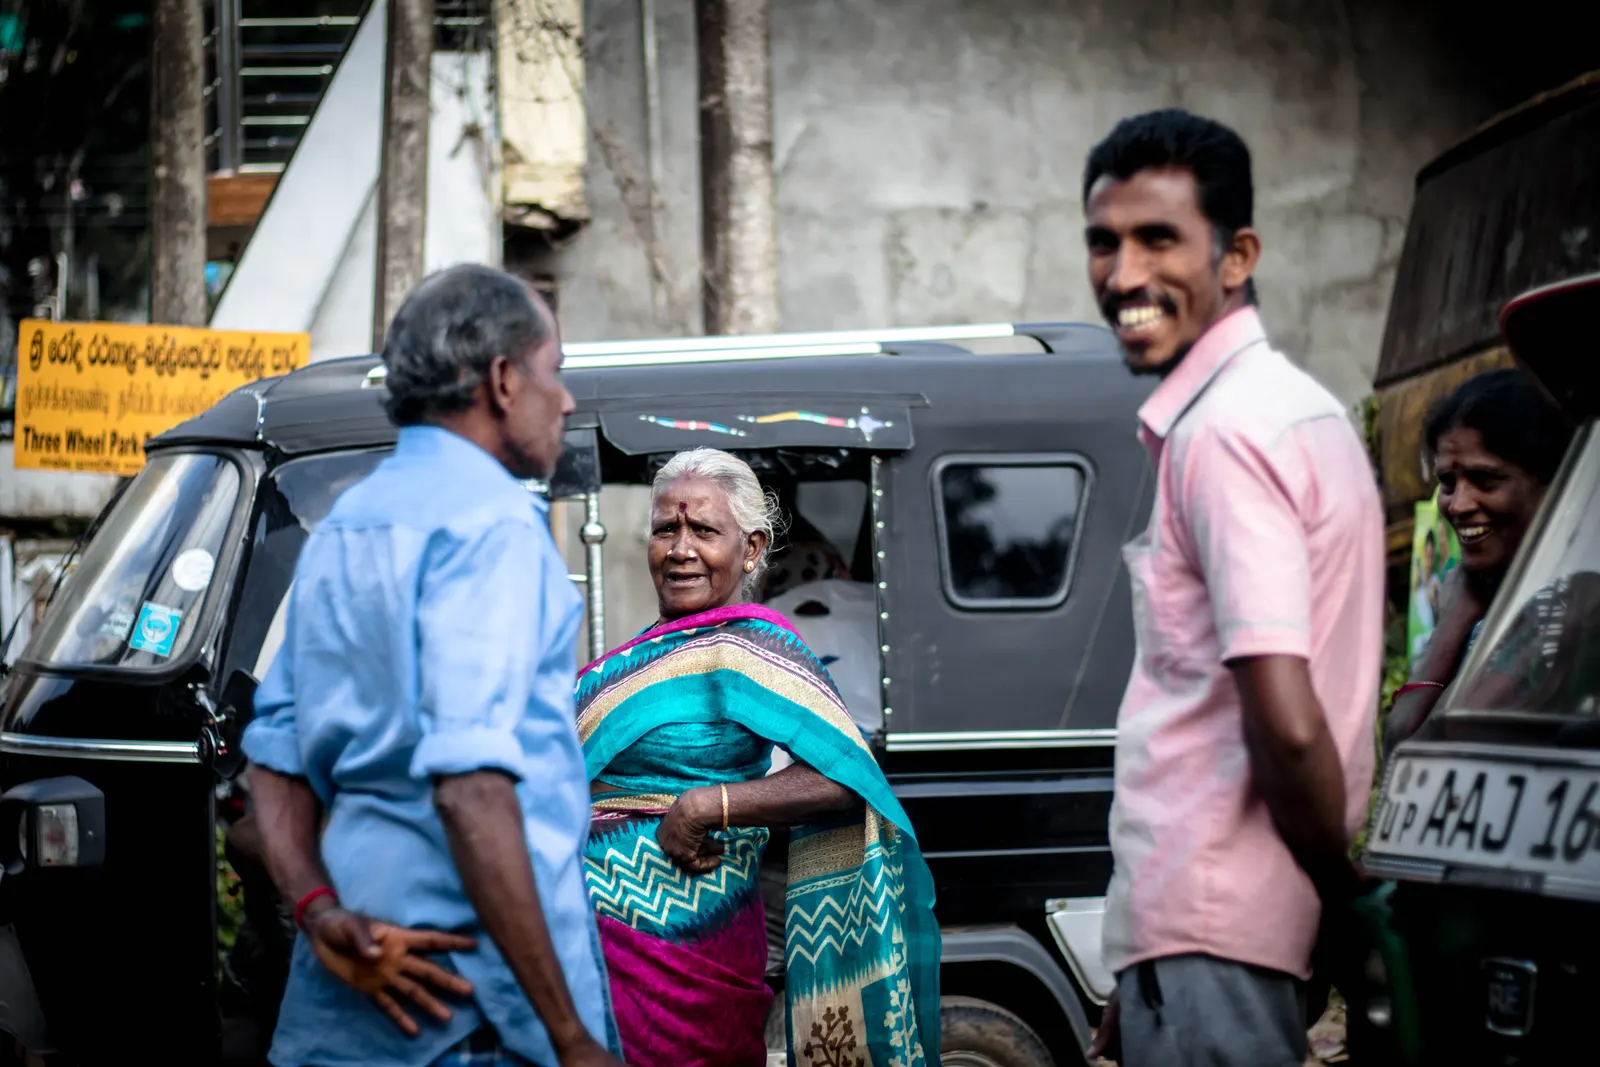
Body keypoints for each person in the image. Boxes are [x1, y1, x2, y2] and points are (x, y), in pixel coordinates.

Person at [241, 264, 624, 1067]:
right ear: (502, 378)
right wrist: (569, 1036)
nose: (567, 400)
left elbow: (273, 762)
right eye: (555, 373)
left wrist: (315, 908)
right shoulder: (495, 528)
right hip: (478, 1018)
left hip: (348, 1002)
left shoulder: (345, 526)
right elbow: (471, 788)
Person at [1079, 110, 1385, 1067]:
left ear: (1239, 253)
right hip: (1214, 934)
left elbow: (1286, 720)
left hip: (1219, 920)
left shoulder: (1226, 434)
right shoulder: (1296, 410)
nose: (1124, 276)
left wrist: (1344, 906)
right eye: (1104, 243)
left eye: (1158, 239)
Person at [575, 447, 940, 1066]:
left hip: (690, 954)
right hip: (592, 953)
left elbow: (846, 775)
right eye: (667, 529)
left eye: (704, 530)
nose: (681, 548)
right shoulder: (634, 656)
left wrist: (703, 807)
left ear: (750, 548)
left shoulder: (753, 647)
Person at [1385, 369, 1575, 751]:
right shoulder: (1482, 598)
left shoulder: (1569, 602)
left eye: (1485, 480)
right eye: (1448, 483)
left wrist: (1455, 621)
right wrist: (1457, 618)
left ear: (1552, 483)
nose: (1458, 505)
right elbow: (1400, 744)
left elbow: (1419, 753)